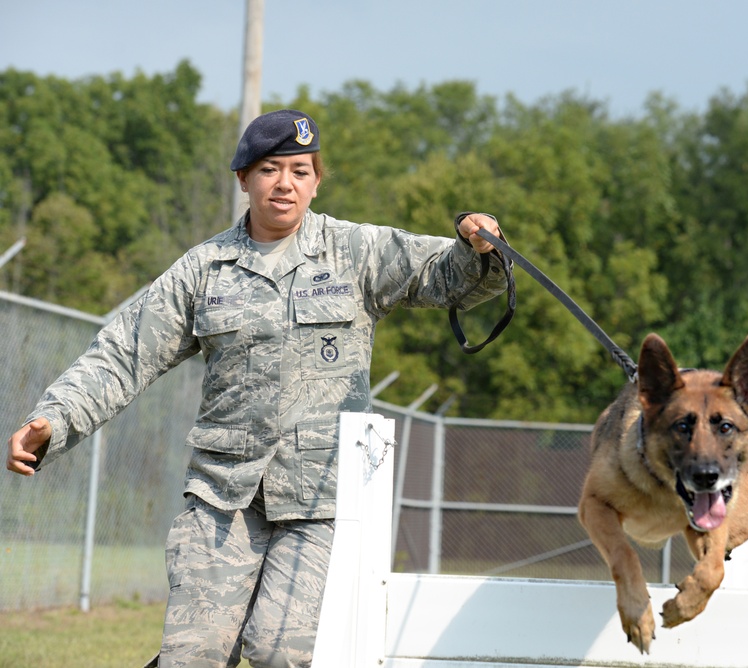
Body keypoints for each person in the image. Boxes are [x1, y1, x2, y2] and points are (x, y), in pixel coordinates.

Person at [6, 109, 509, 667]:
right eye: (270, 169)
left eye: (300, 170)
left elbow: (447, 276)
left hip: (320, 502)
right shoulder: (205, 269)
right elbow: (124, 353)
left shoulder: (356, 252)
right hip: (223, 497)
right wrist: (55, 418)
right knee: (191, 654)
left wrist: (478, 245)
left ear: (317, 181)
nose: (285, 183)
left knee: (280, 652)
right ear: (244, 178)